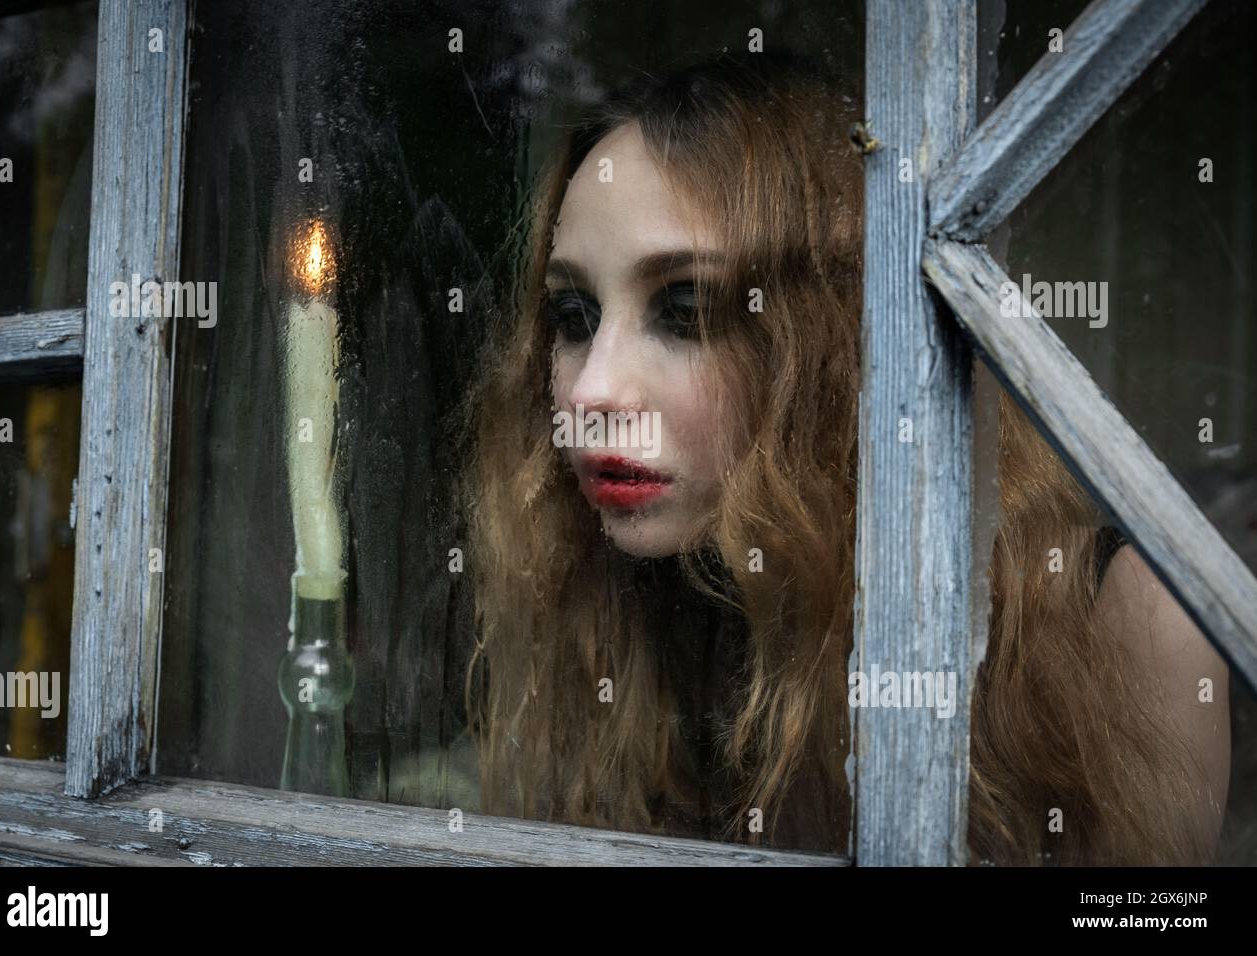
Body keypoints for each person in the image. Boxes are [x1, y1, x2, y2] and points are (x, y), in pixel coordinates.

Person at [455, 53, 1229, 864]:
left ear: (833, 340)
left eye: (686, 309)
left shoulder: (1126, 619)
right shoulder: (622, 617)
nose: (592, 392)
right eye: (574, 316)